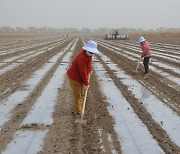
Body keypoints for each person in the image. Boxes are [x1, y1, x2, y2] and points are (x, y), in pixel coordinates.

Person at [67, 40, 99, 118]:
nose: (92, 54)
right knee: (78, 95)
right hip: (75, 78)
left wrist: (90, 70)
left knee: (81, 93)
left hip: (81, 77)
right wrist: (86, 83)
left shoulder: (89, 55)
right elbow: (83, 72)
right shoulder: (82, 58)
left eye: (93, 53)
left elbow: (89, 64)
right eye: (90, 52)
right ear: (86, 49)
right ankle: (78, 113)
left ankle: (80, 109)